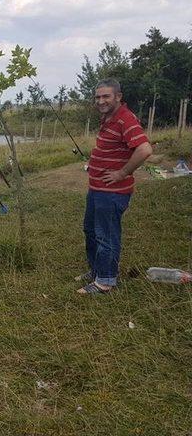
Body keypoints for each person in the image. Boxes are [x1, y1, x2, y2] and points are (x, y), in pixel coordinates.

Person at [77, 78, 152, 294]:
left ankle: (106, 282)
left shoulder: (124, 119)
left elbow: (144, 149)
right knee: (90, 230)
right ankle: (96, 270)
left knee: (106, 235)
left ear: (118, 97)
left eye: (106, 96)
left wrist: (122, 172)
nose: (101, 101)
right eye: (98, 97)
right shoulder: (108, 118)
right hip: (97, 189)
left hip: (111, 193)